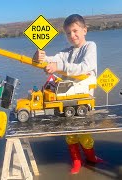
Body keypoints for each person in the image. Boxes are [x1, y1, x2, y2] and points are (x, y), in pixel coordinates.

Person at [33, 14, 103, 174]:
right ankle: (77, 161)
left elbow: (84, 68)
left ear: (84, 30)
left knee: (85, 133)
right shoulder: (66, 52)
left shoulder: (90, 47)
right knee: (70, 133)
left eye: (75, 31)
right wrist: (39, 57)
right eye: (68, 33)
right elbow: (53, 59)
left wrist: (58, 67)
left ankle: (92, 158)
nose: (72, 35)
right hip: (66, 100)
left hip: (83, 99)